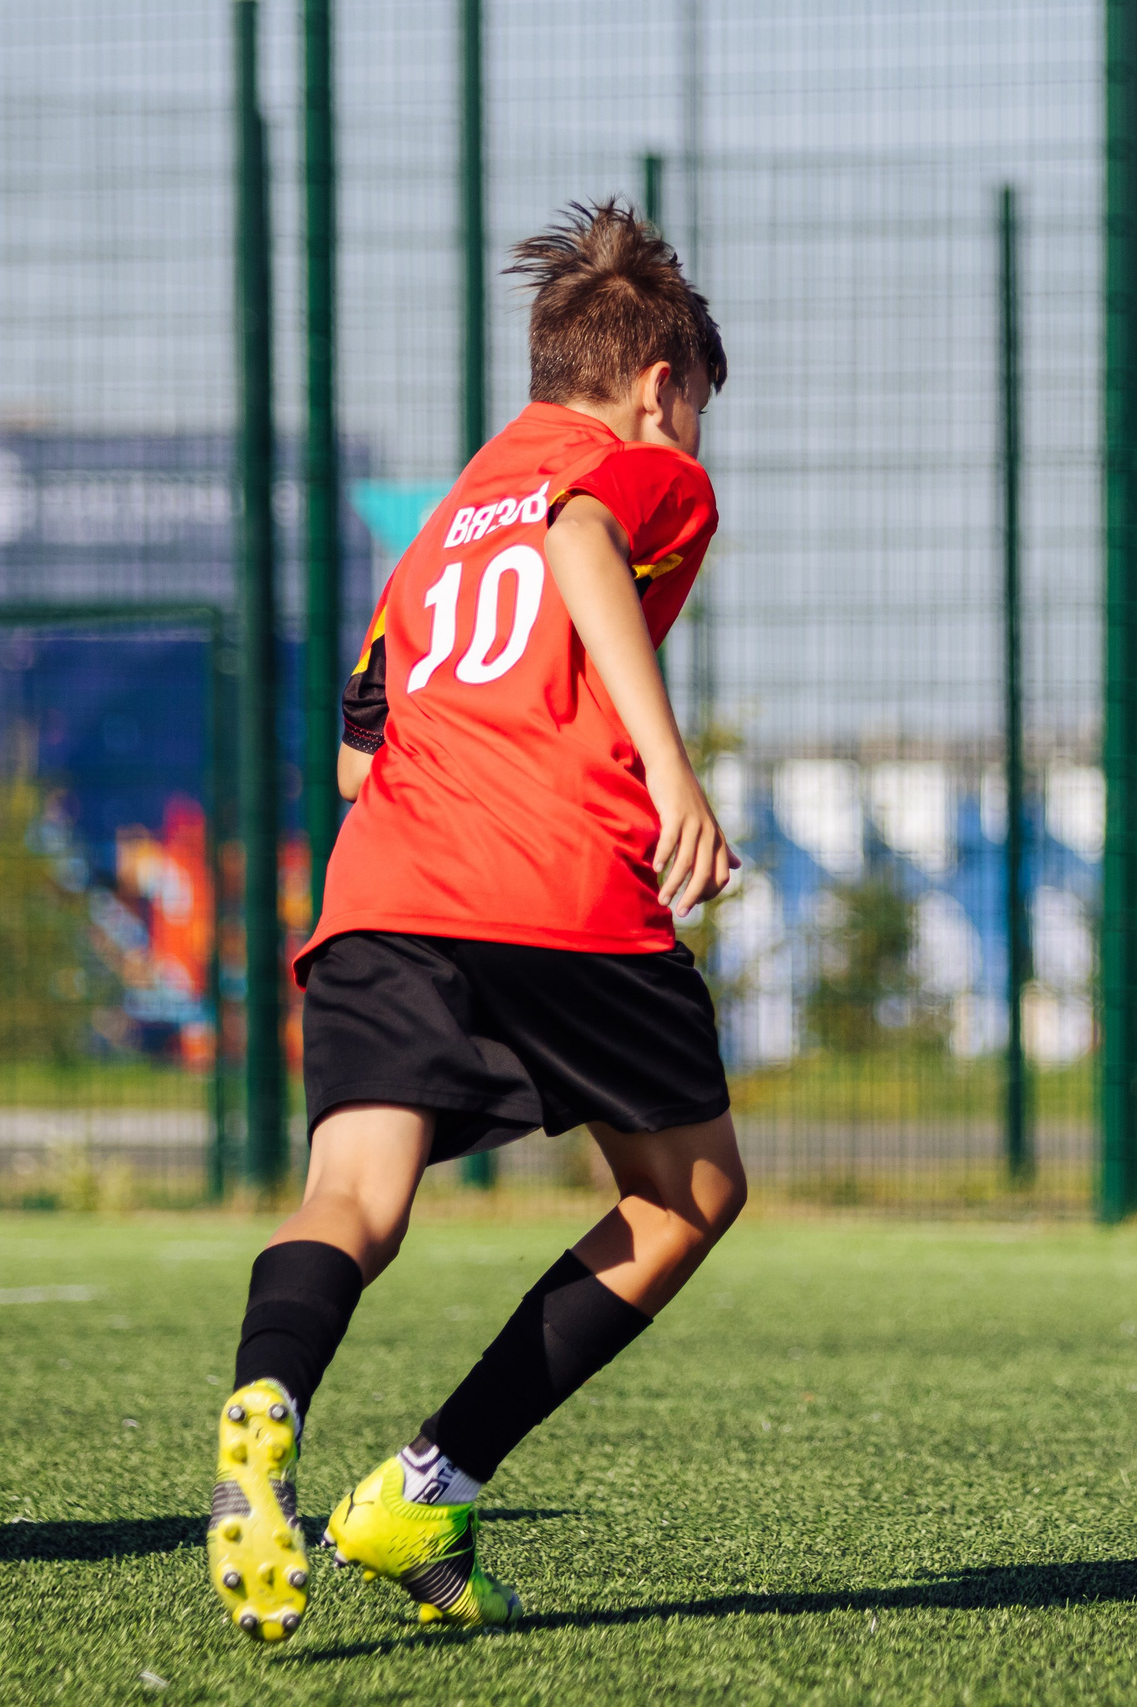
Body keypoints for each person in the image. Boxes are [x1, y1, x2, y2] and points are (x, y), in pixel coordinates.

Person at [205, 202, 745, 1643]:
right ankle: (428, 1480)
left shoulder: (444, 523)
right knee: (690, 1195)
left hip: (385, 886)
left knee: (354, 1203)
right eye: (695, 409)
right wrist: (670, 767)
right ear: (659, 382)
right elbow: (581, 541)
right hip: (556, 885)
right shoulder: (636, 473)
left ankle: (268, 1409)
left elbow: (356, 755)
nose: (693, 437)